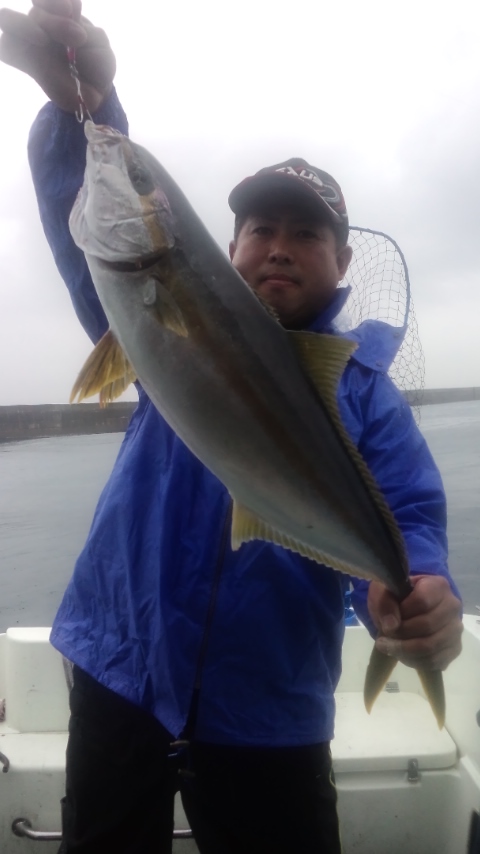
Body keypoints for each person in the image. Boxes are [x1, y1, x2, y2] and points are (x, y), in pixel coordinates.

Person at [0, 3, 463, 853]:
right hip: (121, 666)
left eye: (306, 234)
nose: (279, 248)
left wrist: (419, 592)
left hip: (269, 709)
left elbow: (412, 520)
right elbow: (99, 221)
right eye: (259, 230)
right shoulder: (153, 331)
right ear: (229, 244)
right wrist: (86, 111)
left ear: (343, 263)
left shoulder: (364, 395)